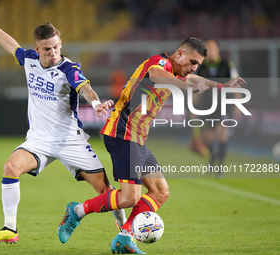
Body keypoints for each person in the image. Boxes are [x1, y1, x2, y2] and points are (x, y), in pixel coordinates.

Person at [57, 37, 246, 254]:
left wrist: (221, 85)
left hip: (138, 138)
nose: (193, 68)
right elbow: (157, 75)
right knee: (130, 197)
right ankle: (77, 211)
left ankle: (125, 237)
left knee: (160, 192)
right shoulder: (159, 63)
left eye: (198, 64)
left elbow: (192, 78)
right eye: (192, 61)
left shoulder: (177, 72)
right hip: (122, 132)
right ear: (180, 53)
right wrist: (184, 85)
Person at [0, 11, 127, 244]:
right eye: (47, 49)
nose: (53, 53)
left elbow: (85, 88)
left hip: (70, 141)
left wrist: (96, 104)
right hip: (39, 140)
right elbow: (12, 45)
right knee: (11, 167)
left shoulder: (68, 69)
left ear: (60, 43)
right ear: (37, 49)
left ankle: (124, 227)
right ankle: (10, 229)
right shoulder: (29, 60)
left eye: (56, 47)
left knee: (105, 190)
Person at [189, 39, 240, 177]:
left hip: (224, 106)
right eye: (206, 47)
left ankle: (220, 168)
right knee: (207, 138)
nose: (209, 49)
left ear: (218, 49)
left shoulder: (227, 65)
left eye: (211, 47)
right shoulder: (200, 67)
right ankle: (212, 159)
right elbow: (194, 88)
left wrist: (237, 104)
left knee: (222, 136)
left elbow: (236, 85)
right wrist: (193, 108)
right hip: (206, 107)